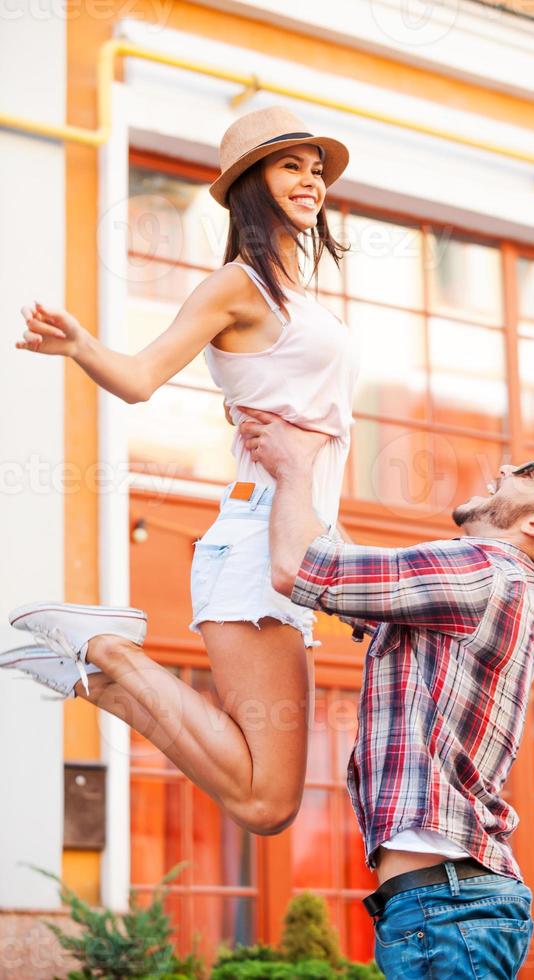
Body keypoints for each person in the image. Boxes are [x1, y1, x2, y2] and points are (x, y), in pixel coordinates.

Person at [2, 106, 359, 837]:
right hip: (261, 537)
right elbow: (139, 378)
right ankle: (104, 649)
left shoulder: (298, 297)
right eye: (290, 166)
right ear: (249, 186)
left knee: (267, 799)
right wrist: (81, 345)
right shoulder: (237, 286)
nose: (310, 181)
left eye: (315, 170)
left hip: (290, 535)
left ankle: (92, 677)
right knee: (267, 803)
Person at [234, 407, 534, 979]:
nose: (509, 465)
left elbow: (298, 569)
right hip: (451, 906)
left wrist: (294, 472)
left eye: (530, 470)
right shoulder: (501, 587)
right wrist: (304, 470)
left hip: (447, 909)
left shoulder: (484, 571)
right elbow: (345, 577)